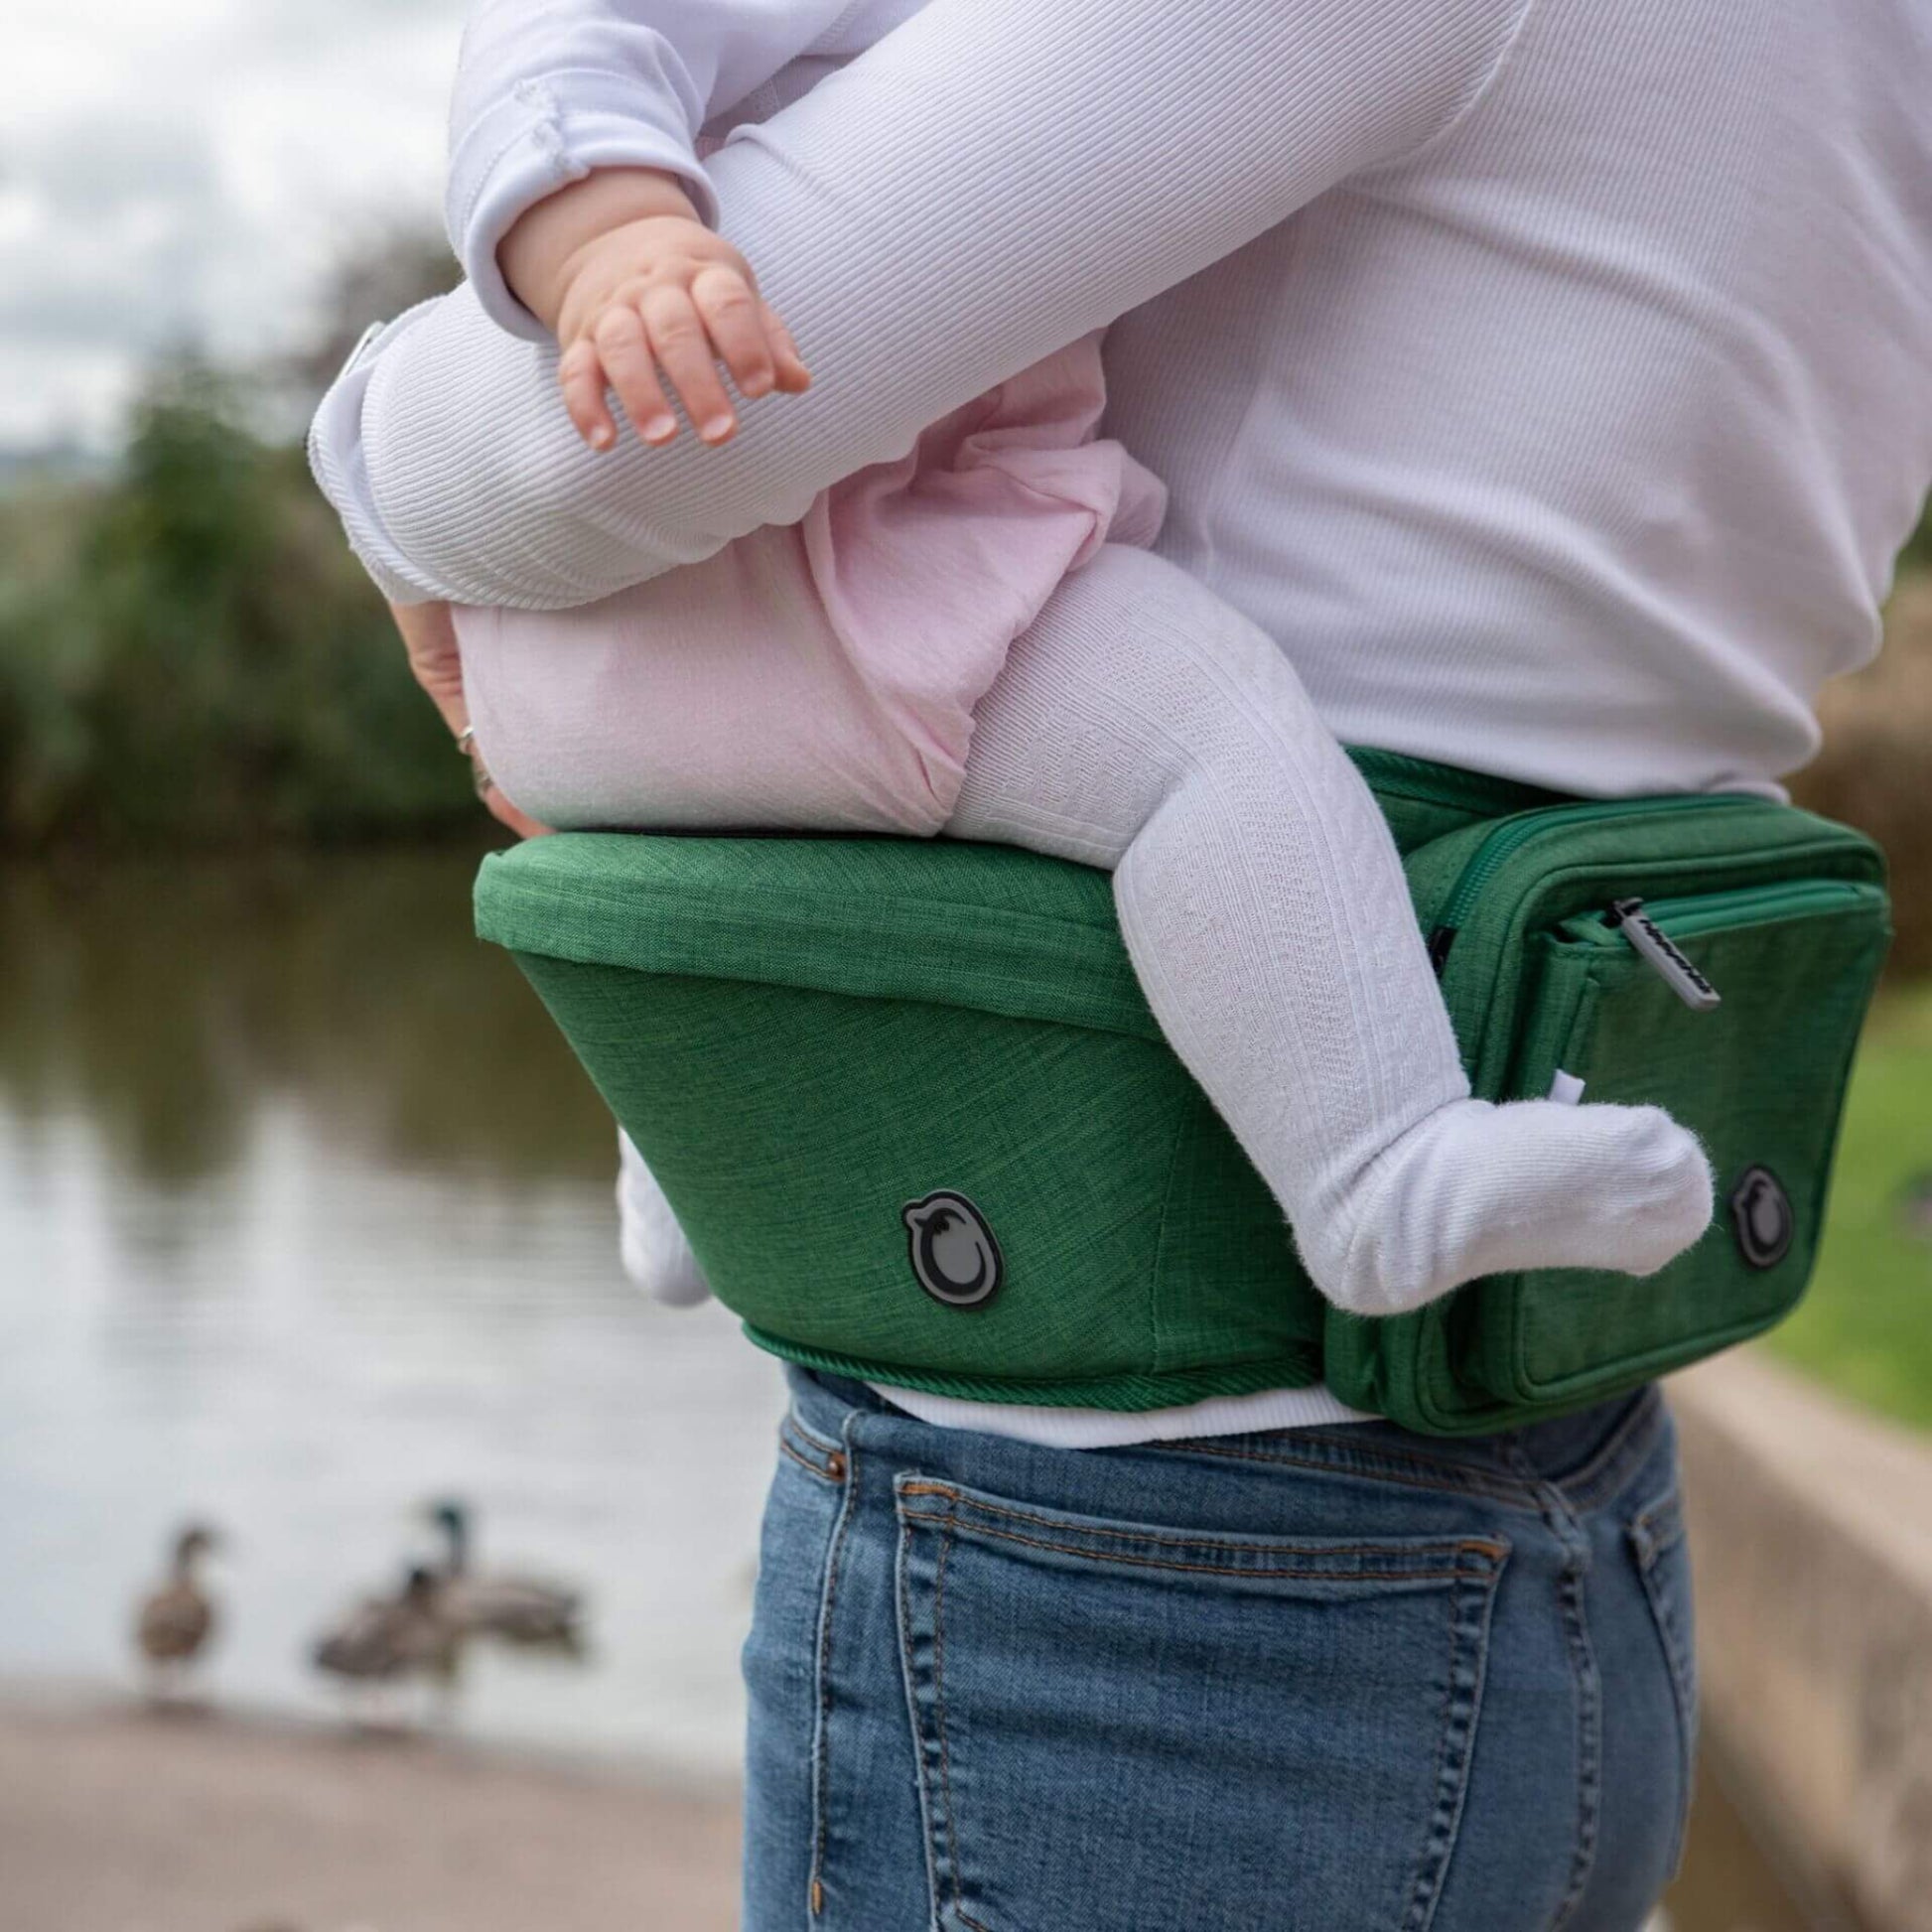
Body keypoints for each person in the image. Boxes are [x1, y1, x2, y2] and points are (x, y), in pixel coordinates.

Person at [320, 0, 1932, 1921]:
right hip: (1563, 1487)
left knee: (1088, 741)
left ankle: (1301, 1173)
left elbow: (596, 452)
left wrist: (362, 423)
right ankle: (722, 1163)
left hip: (1144, 1536)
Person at [354, 1, 1719, 1325]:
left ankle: (701, 1181)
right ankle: (1375, 1168)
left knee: (761, 874)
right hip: (865, 577)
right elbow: (549, 47)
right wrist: (611, 242)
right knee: (1203, 732)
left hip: (571, 681)